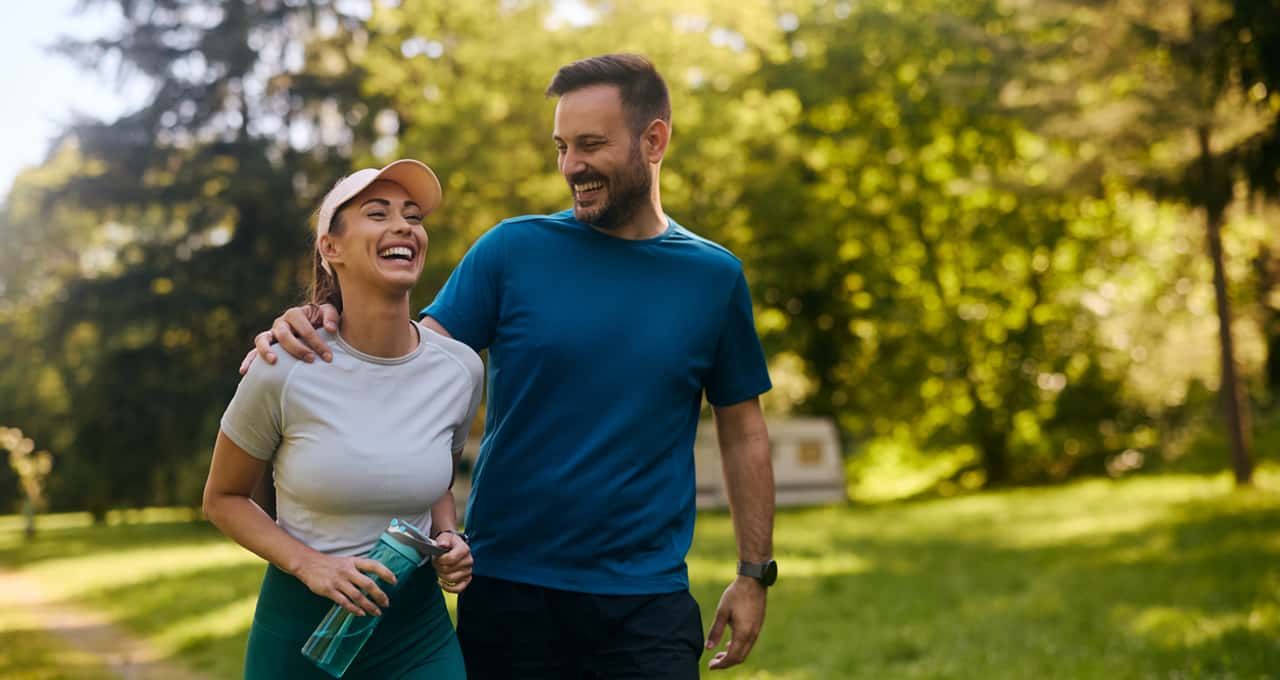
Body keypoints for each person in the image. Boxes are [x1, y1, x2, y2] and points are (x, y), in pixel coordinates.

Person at [247, 54, 777, 678]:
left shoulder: (713, 279)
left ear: (654, 140)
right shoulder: (512, 251)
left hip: (645, 602)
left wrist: (753, 575)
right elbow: (400, 359)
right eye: (561, 146)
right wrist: (317, 317)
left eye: (591, 144)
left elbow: (743, 432)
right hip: (508, 591)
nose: (571, 165)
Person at [205, 159, 484, 680]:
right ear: (331, 248)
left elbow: (436, 483)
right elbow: (222, 498)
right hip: (303, 632)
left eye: (413, 216)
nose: (404, 226)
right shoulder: (283, 368)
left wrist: (450, 538)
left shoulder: (460, 370)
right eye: (377, 213)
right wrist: (312, 565)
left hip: (415, 634)